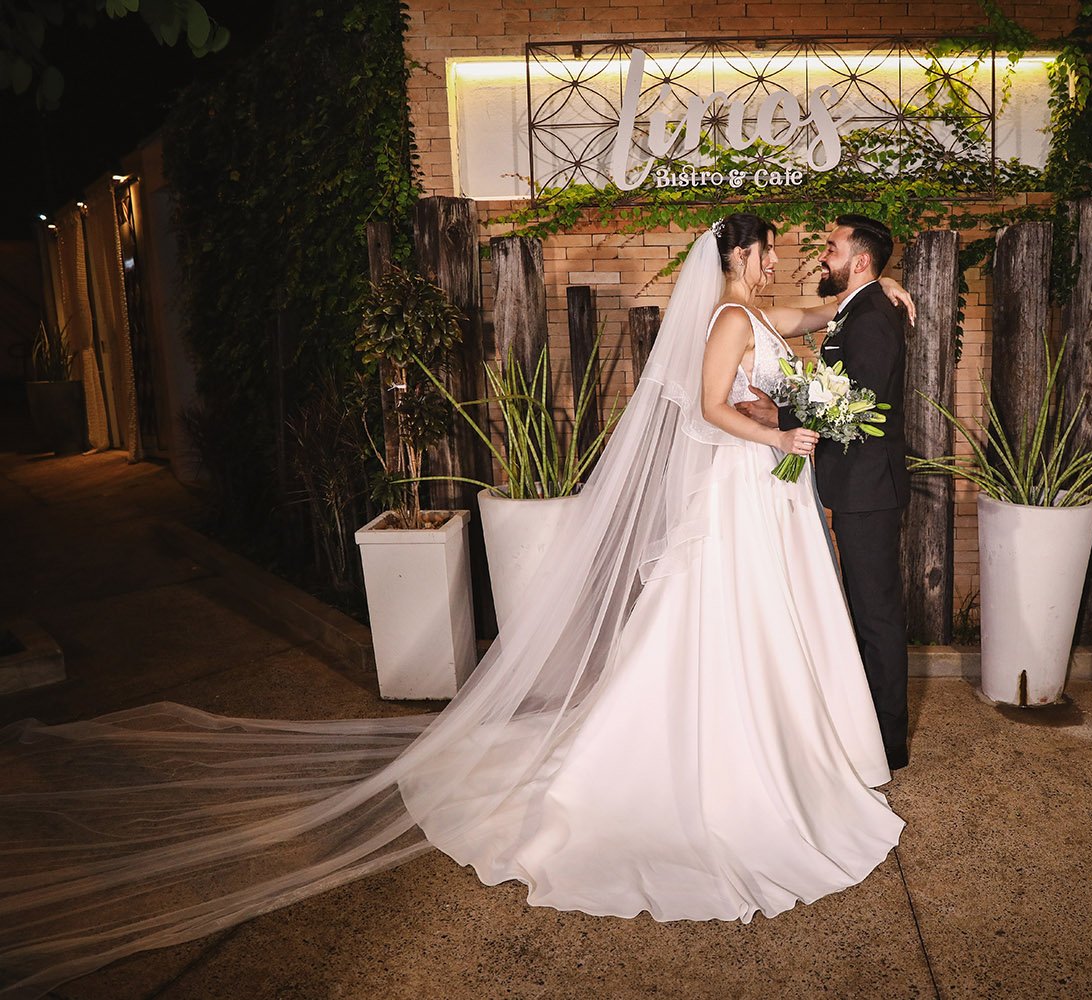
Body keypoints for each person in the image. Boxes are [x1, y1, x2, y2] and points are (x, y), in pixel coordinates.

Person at [0, 214, 915, 997]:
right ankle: (708, 755)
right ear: (741, 256)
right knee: (720, 625)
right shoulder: (725, 318)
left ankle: (779, 739)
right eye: (770, 250)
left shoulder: (759, 312)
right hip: (744, 485)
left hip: (764, 495)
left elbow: (816, 314)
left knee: (768, 622)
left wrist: (880, 292)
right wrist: (776, 434)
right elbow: (711, 408)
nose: (784, 260)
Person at [737, 214, 912, 771]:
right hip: (853, 484)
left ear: (858, 260)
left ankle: (888, 742)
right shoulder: (856, 308)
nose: (821, 255)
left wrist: (778, 415)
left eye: (831, 248)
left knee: (876, 613)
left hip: (869, 488)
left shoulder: (872, 317)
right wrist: (883, 282)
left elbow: (858, 402)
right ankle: (867, 725)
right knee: (863, 606)